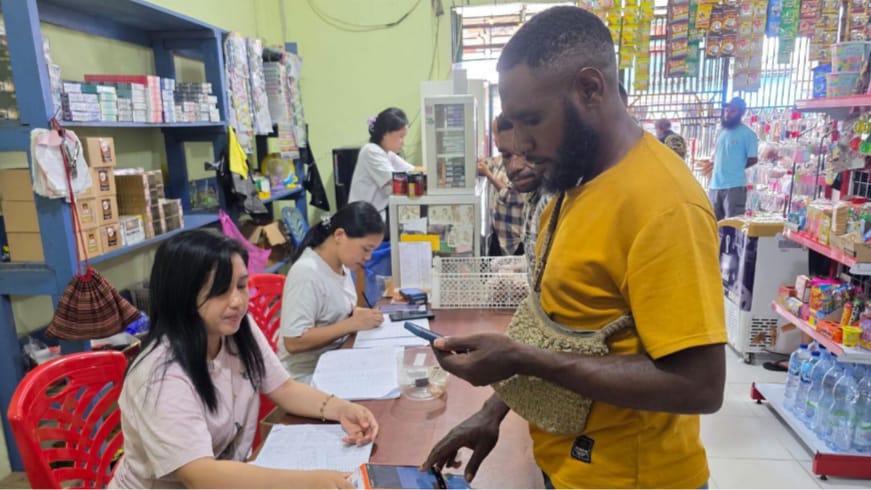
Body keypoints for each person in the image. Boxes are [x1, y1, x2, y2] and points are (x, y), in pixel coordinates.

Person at [422, 6, 726, 489]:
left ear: (590, 89)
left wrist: (522, 360)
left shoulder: (664, 205)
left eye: (532, 121)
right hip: (568, 464)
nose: (520, 145)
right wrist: (494, 410)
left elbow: (700, 385)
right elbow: (563, 325)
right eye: (511, 125)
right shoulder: (574, 183)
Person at [110, 229, 378, 489]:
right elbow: (200, 476)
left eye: (241, 286)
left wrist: (341, 409)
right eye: (220, 291)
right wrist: (309, 483)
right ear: (182, 295)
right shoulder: (160, 375)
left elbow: (283, 388)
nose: (238, 301)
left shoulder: (238, 329)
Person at [279, 201, 385, 384]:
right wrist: (352, 323)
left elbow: (334, 310)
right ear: (339, 235)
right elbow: (294, 342)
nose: (368, 257)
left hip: (336, 359)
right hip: (307, 377)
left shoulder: (341, 265)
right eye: (366, 249)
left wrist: (355, 314)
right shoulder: (307, 273)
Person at [348, 107, 415, 224]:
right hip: (361, 220)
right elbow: (397, 180)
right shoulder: (371, 151)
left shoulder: (387, 154)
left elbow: (413, 171)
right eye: (400, 136)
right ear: (385, 134)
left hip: (375, 217)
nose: (403, 142)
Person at [479, 114, 528, 256]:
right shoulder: (499, 160)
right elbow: (488, 163)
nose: (515, 165)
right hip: (500, 234)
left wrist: (488, 175)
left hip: (516, 239)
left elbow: (512, 195)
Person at [707, 96, 758, 220]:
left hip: (734, 186)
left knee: (732, 226)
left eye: (732, 111)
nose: (728, 114)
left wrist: (736, 167)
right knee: (713, 225)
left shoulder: (748, 134)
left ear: (741, 113)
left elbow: (753, 159)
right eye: (726, 111)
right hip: (715, 185)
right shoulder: (722, 132)